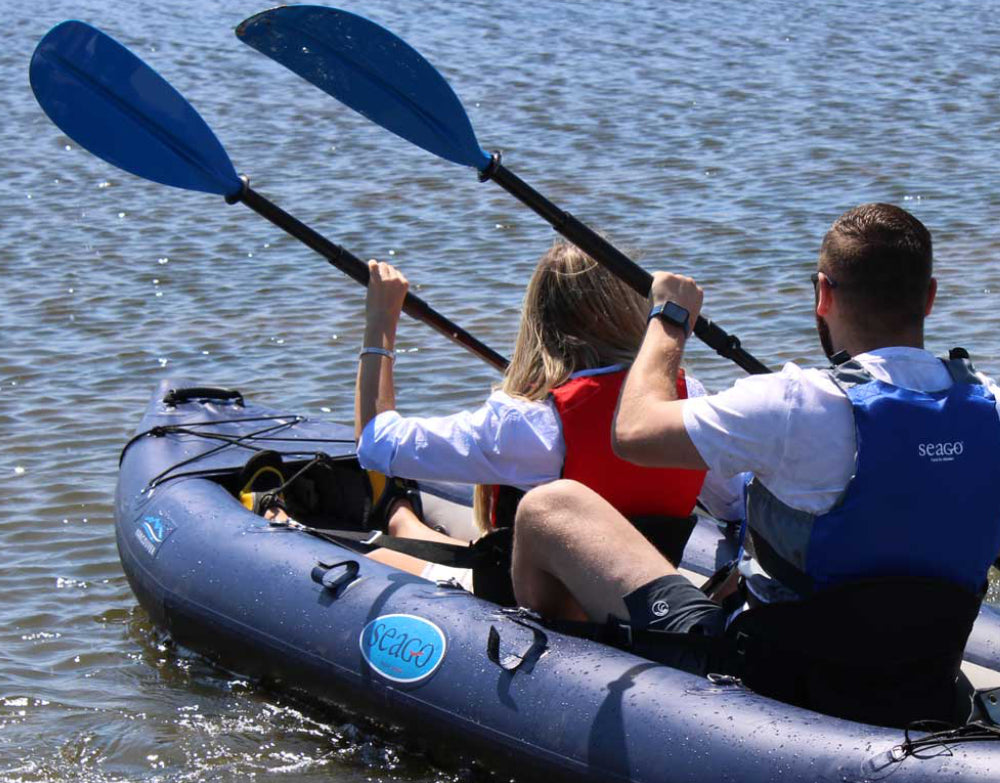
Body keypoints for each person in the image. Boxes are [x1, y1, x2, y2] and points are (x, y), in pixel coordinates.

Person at [510, 204, 1000, 727]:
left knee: (550, 506)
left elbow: (633, 432)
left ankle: (562, 677)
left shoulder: (792, 403)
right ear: (929, 296)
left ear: (823, 295)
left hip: (771, 686)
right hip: (921, 682)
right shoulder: (990, 406)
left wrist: (670, 320)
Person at [353, 241, 744, 601]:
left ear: (539, 320)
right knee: (428, 535)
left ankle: (390, 518)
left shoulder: (529, 424)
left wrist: (382, 320)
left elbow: (374, 443)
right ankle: (401, 516)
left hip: (540, 603)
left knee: (376, 557)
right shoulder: (688, 399)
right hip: (637, 599)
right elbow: (733, 504)